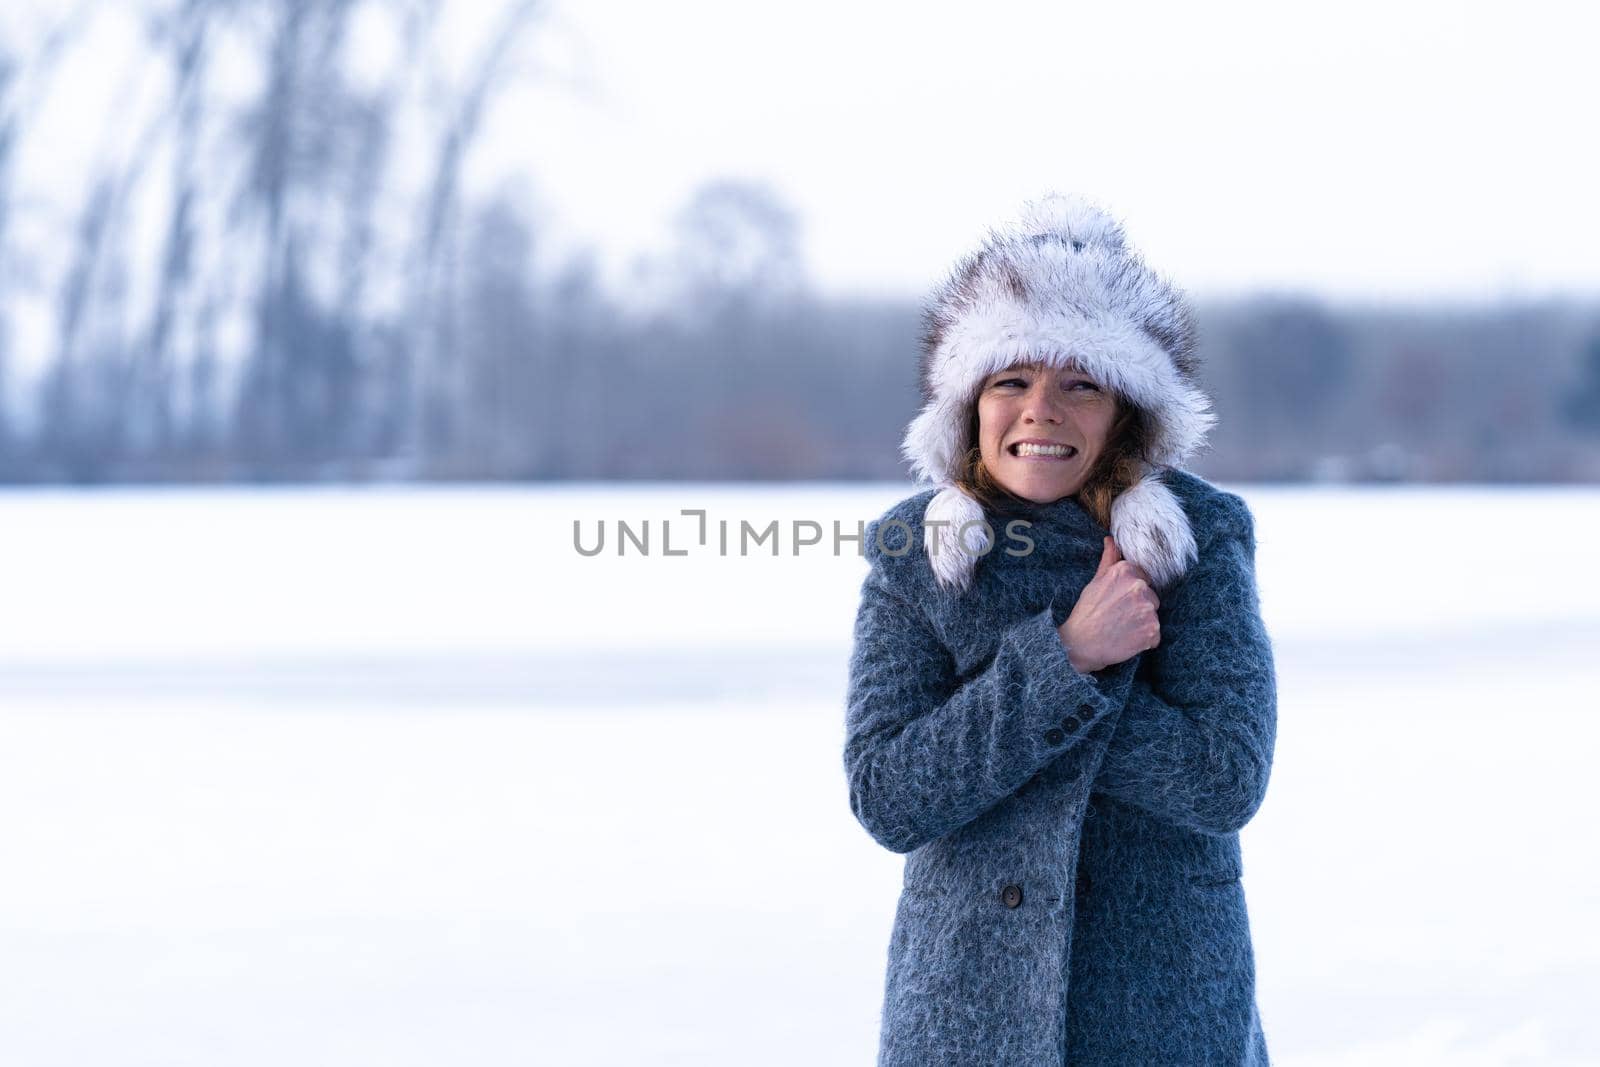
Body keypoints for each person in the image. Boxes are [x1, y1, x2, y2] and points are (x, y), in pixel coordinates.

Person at [843, 193, 1277, 1065]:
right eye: (1012, 380)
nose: (1041, 410)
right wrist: (1067, 658)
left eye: (1080, 382)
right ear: (969, 402)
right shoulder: (913, 550)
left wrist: (1005, 700)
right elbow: (889, 795)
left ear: (1128, 410)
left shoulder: (1197, 537)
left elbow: (1223, 779)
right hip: (963, 1018)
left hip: (1164, 1016)